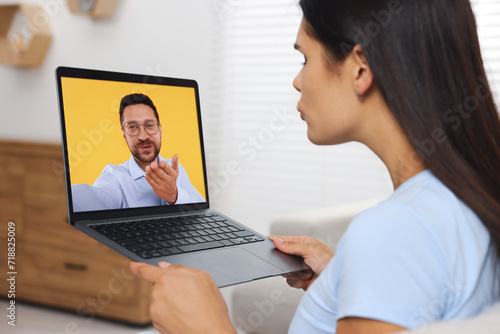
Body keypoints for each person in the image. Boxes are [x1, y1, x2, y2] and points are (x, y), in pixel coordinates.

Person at [129, 0, 500, 333]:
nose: (297, 80)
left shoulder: (392, 232)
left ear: (359, 69)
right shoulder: (467, 197)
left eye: (305, 58)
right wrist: (345, 278)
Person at [71, 93, 205, 211]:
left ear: (160, 130)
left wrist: (174, 196)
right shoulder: (114, 177)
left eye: (149, 125)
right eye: (133, 127)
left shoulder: (175, 169)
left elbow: (202, 214)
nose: (143, 136)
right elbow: (99, 197)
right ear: (124, 136)